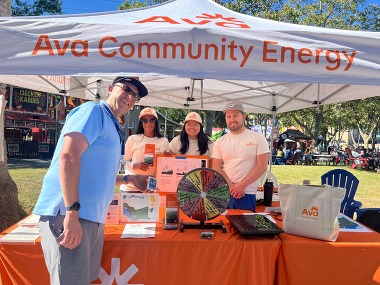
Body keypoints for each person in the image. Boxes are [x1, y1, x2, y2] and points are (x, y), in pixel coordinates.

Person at [33, 76, 150, 285]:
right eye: (127, 90)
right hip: (70, 214)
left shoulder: (113, 123)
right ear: (111, 88)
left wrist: (130, 178)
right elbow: (68, 157)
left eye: (135, 96)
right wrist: (71, 212)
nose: (130, 97)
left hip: (89, 217)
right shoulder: (94, 111)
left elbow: (95, 173)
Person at [212, 102, 270, 211]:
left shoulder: (258, 138)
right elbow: (216, 167)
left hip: (246, 193)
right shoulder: (220, 141)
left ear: (244, 117)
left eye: (235, 116)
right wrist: (231, 186)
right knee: (223, 226)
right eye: (228, 116)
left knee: (244, 226)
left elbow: (262, 166)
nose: (232, 119)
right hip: (224, 192)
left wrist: (241, 186)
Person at [121, 107, 170, 192]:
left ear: (156, 122)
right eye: (145, 120)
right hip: (131, 187)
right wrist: (135, 165)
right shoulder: (132, 139)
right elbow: (122, 163)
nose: (148, 123)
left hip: (151, 188)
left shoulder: (164, 141)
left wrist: (168, 157)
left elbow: (166, 165)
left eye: (152, 120)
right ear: (141, 123)